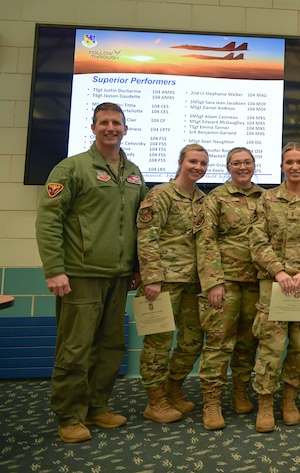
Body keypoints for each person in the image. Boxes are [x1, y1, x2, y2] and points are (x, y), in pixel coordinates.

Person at [36, 102, 147, 444]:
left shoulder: (134, 173)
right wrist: (55, 269)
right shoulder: (71, 169)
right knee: (76, 348)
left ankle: (97, 406)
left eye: (117, 123)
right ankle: (69, 416)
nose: (110, 127)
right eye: (104, 122)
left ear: (126, 129)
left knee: (111, 346)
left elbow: (141, 225)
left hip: (119, 276)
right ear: (93, 127)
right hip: (80, 275)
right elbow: (49, 220)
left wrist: (139, 268)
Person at [250, 142, 300, 431]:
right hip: (274, 285)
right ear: (282, 166)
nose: (295, 167)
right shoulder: (267, 199)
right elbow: (257, 240)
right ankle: (264, 404)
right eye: (289, 162)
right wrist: (280, 272)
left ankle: (289, 399)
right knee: (271, 346)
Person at [138, 143, 209, 423]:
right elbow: (147, 237)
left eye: (203, 163)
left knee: (193, 341)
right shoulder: (160, 195)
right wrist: (151, 278)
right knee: (159, 342)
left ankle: (173, 388)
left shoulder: (202, 199)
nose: (198, 167)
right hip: (164, 282)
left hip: (193, 282)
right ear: (181, 162)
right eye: (193, 161)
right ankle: (155, 401)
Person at [195, 147, 264, 430]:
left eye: (247, 162)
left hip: (257, 281)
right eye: (236, 163)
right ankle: (211, 403)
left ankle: (240, 391)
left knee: (249, 342)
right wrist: (213, 282)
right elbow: (206, 241)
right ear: (228, 167)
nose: (242, 167)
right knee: (219, 342)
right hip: (225, 282)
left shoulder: (265, 198)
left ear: (254, 165)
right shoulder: (216, 199)